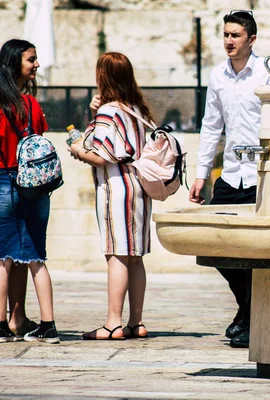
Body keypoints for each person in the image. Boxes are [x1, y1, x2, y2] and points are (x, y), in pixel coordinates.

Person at [188, 10, 270, 349]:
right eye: (225, 34)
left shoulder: (267, 74)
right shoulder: (218, 75)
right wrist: (200, 174)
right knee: (219, 245)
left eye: (235, 35)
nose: (228, 41)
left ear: (251, 39)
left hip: (261, 175)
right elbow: (211, 126)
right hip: (230, 173)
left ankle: (248, 319)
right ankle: (248, 311)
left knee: (255, 250)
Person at [69, 52, 153, 340]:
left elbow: (100, 155)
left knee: (116, 255)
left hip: (117, 189)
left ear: (102, 77)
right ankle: (136, 322)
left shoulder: (110, 111)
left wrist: (77, 150)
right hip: (140, 188)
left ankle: (113, 323)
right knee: (136, 257)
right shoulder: (137, 110)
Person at [0, 39, 59, 343]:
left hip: (2, 181)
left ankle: (4, 323)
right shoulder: (31, 105)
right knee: (32, 255)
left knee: (2, 257)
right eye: (31, 60)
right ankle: (31, 321)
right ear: (14, 64)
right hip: (33, 187)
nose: (36, 64)